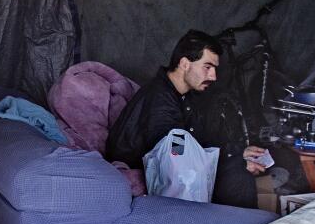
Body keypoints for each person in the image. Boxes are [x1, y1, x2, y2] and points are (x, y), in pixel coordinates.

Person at [106, 29, 269, 207]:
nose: (213, 76)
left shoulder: (185, 96)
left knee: (236, 172)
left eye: (215, 69)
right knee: (237, 179)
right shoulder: (159, 98)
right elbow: (177, 154)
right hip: (146, 168)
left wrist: (238, 152)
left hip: (175, 163)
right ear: (184, 64)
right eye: (207, 67)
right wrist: (234, 161)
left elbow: (198, 140)